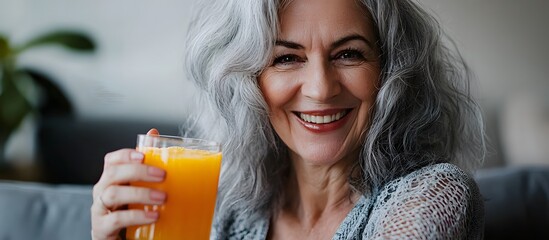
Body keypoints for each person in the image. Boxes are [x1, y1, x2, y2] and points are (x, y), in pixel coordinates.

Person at [91, 0, 486, 239]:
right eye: (286, 58)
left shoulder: (434, 194)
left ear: (390, 70)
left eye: (348, 53)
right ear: (249, 82)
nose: (320, 88)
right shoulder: (232, 210)